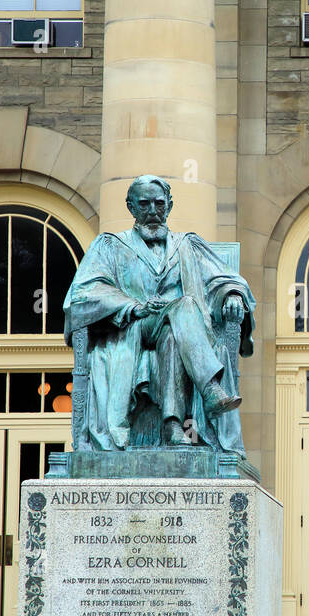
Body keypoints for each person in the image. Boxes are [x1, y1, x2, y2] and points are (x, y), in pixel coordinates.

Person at [62, 175, 254, 452]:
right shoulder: (110, 246)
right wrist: (132, 306)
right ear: (130, 207)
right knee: (185, 307)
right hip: (131, 327)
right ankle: (210, 388)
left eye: (159, 203)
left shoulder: (188, 246)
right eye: (144, 204)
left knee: (178, 324)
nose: (152, 211)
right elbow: (82, 295)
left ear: (170, 205)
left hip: (178, 331)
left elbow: (222, 279)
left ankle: (173, 425)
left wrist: (233, 294)